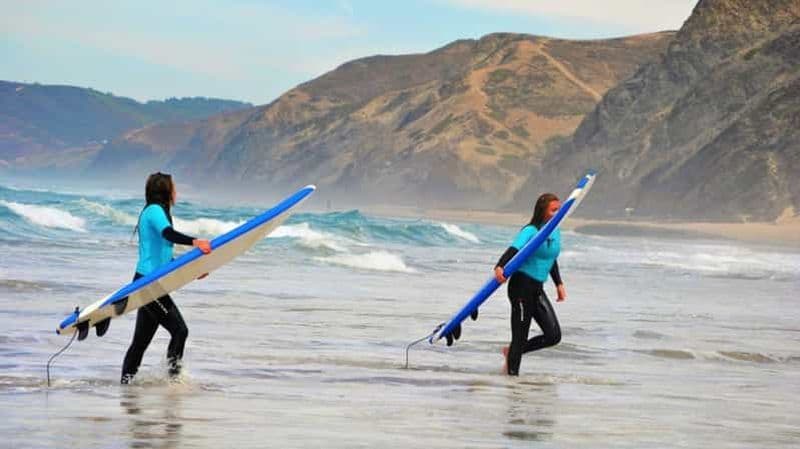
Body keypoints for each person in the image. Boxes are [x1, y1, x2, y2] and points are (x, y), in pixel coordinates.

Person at [121, 172, 211, 384]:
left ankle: (125, 386)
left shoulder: (155, 211)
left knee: (140, 343)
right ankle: (174, 381)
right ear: (165, 190)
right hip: (149, 284)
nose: (176, 192)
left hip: (149, 283)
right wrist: (195, 241)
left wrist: (194, 271)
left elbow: (166, 259)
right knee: (180, 330)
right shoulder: (154, 211)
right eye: (174, 188)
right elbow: (168, 234)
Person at [494, 193, 566, 376]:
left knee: (553, 335)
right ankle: (513, 385)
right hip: (521, 287)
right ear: (542, 211)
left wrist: (559, 283)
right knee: (520, 336)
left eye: (559, 209)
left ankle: (512, 353)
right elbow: (514, 249)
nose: (557, 213)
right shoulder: (531, 230)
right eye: (553, 210)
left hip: (537, 288)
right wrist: (500, 266)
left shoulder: (555, 231)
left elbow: (551, 258)